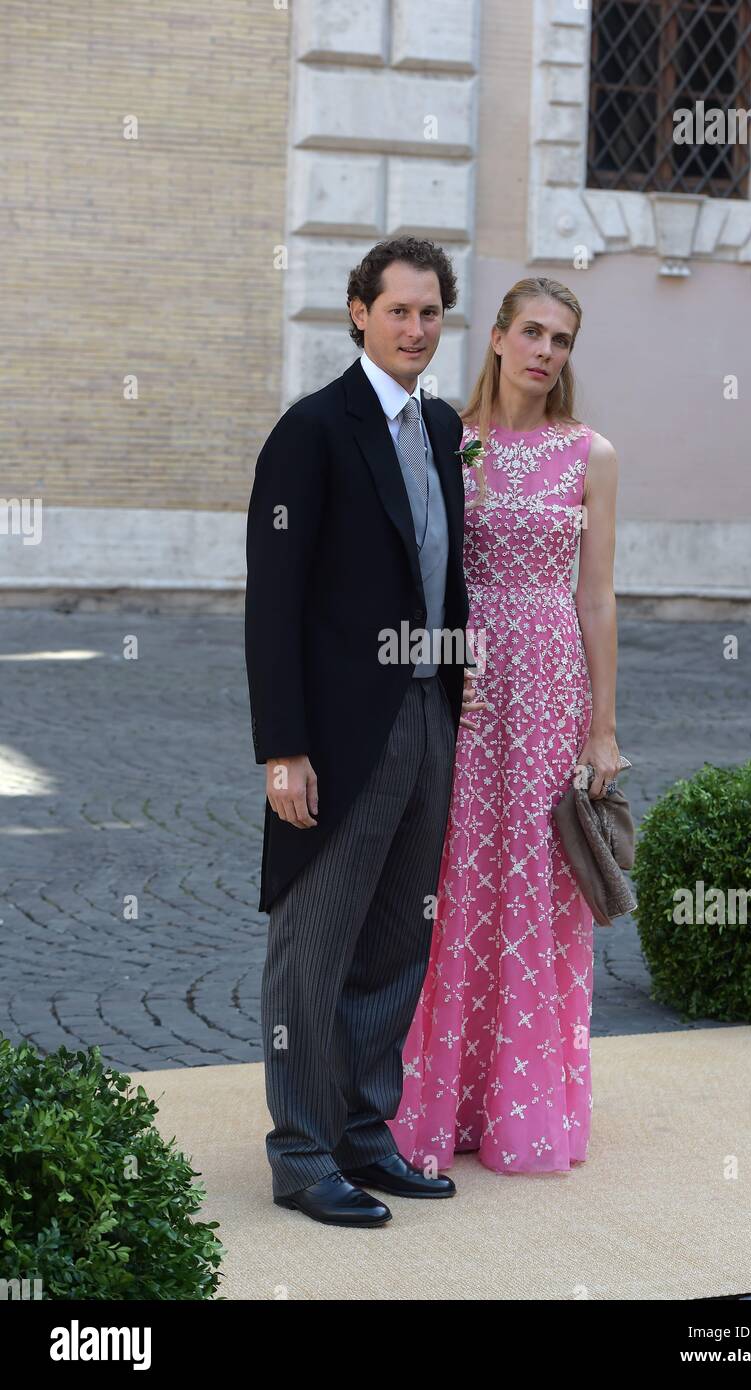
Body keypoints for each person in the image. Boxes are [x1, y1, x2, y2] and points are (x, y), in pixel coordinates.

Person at [244, 237, 482, 1227]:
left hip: (428, 710)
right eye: (398, 311)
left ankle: (362, 1130)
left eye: (431, 314)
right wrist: (282, 746)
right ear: (356, 313)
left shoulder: (436, 429)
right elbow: (274, 602)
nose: (416, 330)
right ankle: (301, 1150)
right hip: (343, 731)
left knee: (395, 940)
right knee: (317, 943)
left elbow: (442, 567)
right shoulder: (311, 431)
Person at [388, 277, 621, 1173]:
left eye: (560, 340)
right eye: (530, 332)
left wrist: (601, 729)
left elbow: (595, 598)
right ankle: (430, 1104)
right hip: (461, 680)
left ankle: (523, 1102)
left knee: (536, 886)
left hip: (550, 684)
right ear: (494, 337)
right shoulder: (447, 437)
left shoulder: (590, 454)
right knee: (445, 882)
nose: (544, 352)